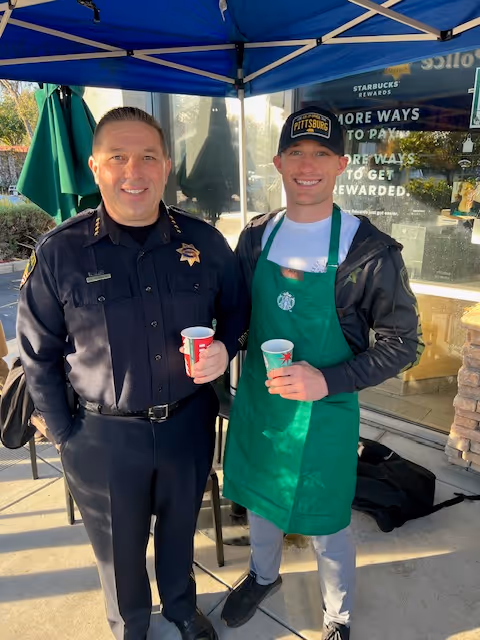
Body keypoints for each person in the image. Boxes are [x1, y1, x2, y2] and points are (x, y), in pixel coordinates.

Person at [17, 107, 244, 640]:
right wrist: (66, 435)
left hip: (188, 423)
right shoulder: (60, 253)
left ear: (166, 165)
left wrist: (226, 349)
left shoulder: (205, 243)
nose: (133, 171)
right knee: (117, 550)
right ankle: (130, 626)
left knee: (180, 531)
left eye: (147, 157)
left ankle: (183, 610)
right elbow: (37, 353)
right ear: (95, 166)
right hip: (102, 435)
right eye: (117, 157)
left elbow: (237, 312)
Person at [220, 106, 424, 640]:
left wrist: (327, 380)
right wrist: (223, 347)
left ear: (341, 164)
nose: (306, 165)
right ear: (277, 162)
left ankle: (338, 616)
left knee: (329, 520)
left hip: (326, 411)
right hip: (262, 403)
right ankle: (263, 575)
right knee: (261, 503)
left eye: (321, 154)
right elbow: (241, 315)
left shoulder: (368, 250)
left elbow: (404, 345)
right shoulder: (257, 236)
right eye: (295, 153)